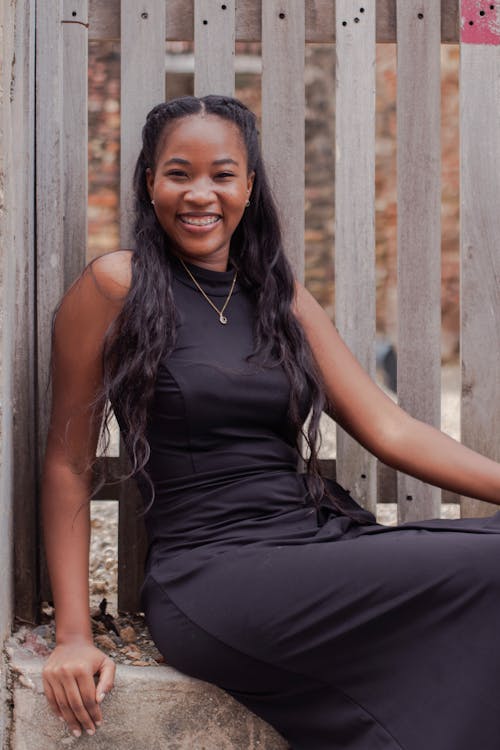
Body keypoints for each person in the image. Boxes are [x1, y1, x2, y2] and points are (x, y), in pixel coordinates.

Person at [41, 94, 500, 750]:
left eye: (222, 175)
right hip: (214, 576)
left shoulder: (278, 297)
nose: (201, 194)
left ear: (249, 185)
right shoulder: (118, 285)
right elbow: (68, 465)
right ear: (149, 183)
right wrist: (74, 636)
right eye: (179, 173)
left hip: (317, 546)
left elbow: (390, 430)